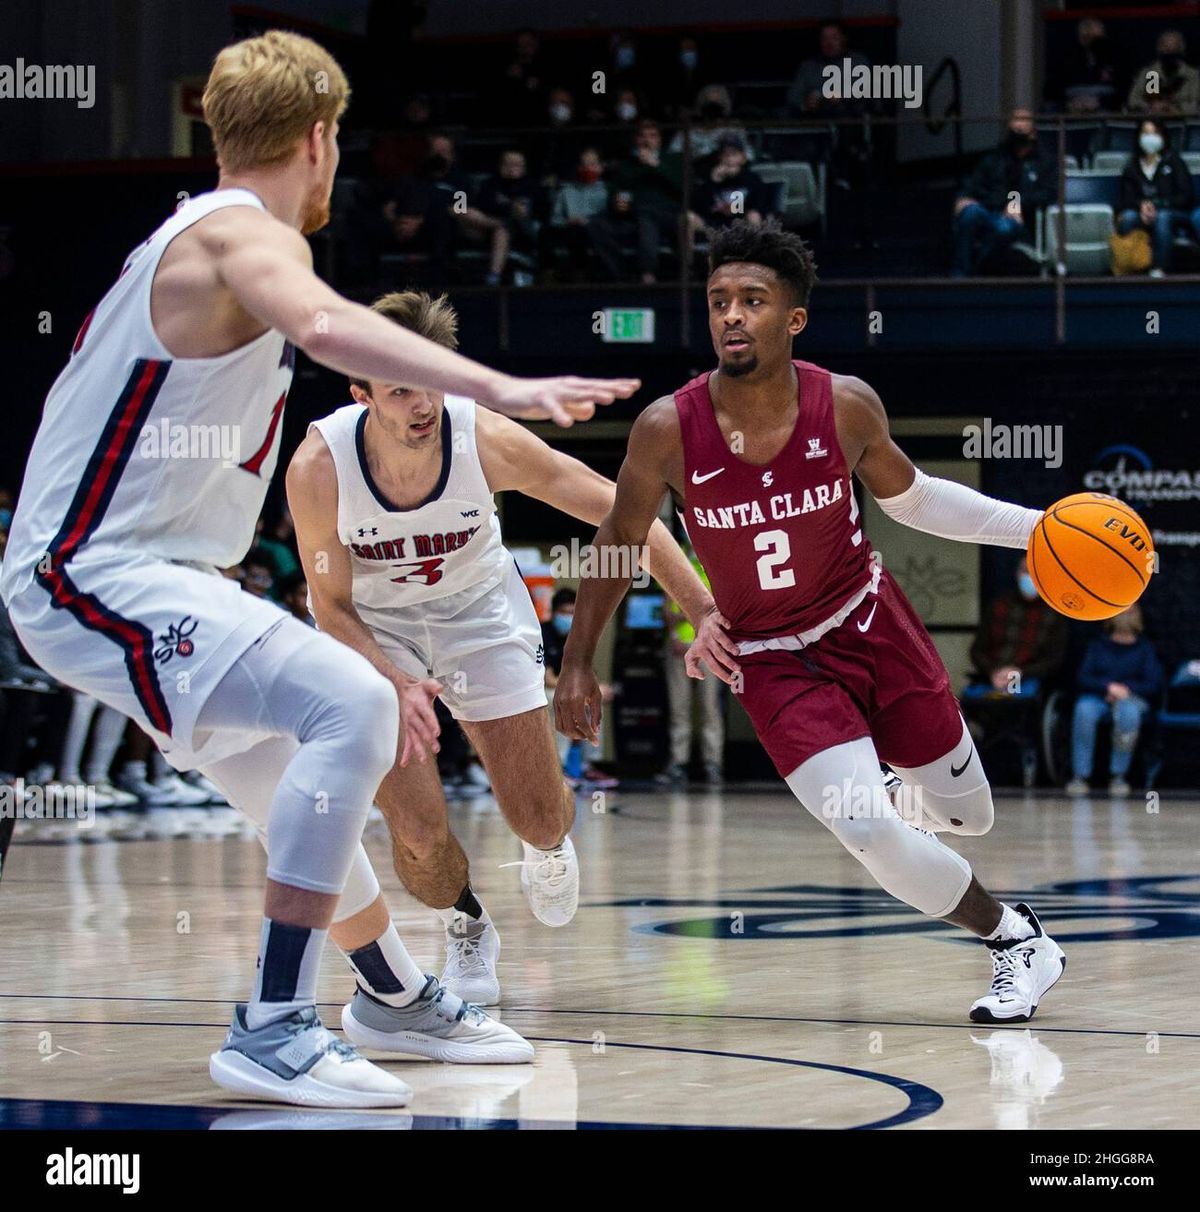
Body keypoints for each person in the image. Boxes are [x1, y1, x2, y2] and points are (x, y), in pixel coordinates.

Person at [0, 30, 637, 1109]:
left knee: (291, 785)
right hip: (90, 571)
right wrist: (507, 386)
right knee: (359, 700)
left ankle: (389, 994)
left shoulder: (203, 238)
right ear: (320, 138)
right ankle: (274, 1029)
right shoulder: (241, 236)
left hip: (151, 575)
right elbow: (329, 324)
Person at [555, 220, 1067, 1025]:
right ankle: (1017, 939)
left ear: (792, 319)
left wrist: (1038, 527)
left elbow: (921, 500)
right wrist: (578, 659)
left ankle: (900, 792)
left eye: (752, 301)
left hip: (869, 622)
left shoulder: (846, 405)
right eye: (719, 300)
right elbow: (621, 540)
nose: (730, 315)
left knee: (971, 815)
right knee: (866, 826)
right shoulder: (667, 428)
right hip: (770, 662)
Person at [286, 290, 710, 1008]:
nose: (421, 404)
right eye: (398, 391)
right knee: (418, 836)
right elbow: (327, 604)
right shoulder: (320, 468)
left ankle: (545, 848)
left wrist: (701, 608)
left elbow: (624, 511)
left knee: (539, 815)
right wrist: (392, 680)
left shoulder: (481, 437)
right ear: (361, 394)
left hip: (478, 612)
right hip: (374, 632)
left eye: (431, 381)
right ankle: (467, 927)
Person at [1066, 606, 1162, 796]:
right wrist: (1108, 687)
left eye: (1131, 612)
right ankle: (1081, 775)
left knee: (1129, 713)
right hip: (1099, 696)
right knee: (1084, 710)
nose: (1126, 617)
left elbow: (1153, 683)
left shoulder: (1144, 649)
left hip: (1131, 698)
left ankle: (1118, 775)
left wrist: (1126, 690)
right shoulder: (1098, 646)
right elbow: (1083, 677)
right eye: (1122, 612)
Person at [952, 110, 1056, 276]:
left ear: (1033, 134)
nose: (1019, 128)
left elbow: (1050, 193)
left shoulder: (1044, 162)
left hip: (1022, 221)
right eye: (1016, 125)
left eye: (1023, 125)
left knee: (1004, 228)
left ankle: (977, 268)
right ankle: (960, 272)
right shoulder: (994, 159)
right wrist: (963, 198)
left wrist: (1016, 203)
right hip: (989, 210)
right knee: (969, 213)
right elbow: (973, 184)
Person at [588, 119, 685, 283]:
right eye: (642, 136)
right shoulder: (625, 165)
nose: (646, 140)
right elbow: (617, 192)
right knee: (596, 224)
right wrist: (616, 203)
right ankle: (620, 276)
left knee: (646, 215)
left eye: (652, 136)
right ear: (635, 139)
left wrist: (657, 166)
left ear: (659, 139)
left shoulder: (673, 159)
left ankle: (647, 274)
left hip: (667, 216)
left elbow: (684, 189)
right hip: (631, 217)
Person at [660, 547, 723, 785]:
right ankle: (679, 762)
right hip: (678, 648)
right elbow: (668, 611)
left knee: (710, 707)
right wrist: (675, 635)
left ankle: (712, 763)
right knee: (679, 707)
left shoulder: (718, 568)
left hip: (710, 647)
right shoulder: (678, 565)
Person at [542, 587, 616, 788]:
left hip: (569, 687)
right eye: (565, 612)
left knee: (594, 699)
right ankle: (561, 767)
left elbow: (587, 672)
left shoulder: (579, 637)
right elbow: (548, 678)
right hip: (543, 689)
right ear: (554, 612)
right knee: (556, 699)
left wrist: (595, 689)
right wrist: (576, 689)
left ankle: (586, 765)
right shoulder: (542, 633)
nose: (569, 617)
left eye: (573, 613)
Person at [1116, 118, 1199, 277]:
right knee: (1127, 217)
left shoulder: (1174, 161)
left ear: (1163, 137)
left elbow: (1186, 196)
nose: (1150, 137)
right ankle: (1130, 266)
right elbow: (1126, 199)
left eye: (1154, 133)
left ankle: (1159, 269)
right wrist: (1141, 206)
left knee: (1162, 217)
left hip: (1175, 212)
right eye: (1146, 133)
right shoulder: (1132, 165)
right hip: (1142, 213)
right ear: (1139, 137)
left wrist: (1157, 205)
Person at [477, 148, 543, 286]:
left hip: (524, 229)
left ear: (524, 167)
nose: (511, 168)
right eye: (507, 164)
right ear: (501, 165)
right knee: (499, 229)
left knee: (503, 230)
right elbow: (484, 206)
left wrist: (520, 211)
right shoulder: (490, 184)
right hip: (490, 227)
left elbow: (539, 210)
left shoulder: (532, 186)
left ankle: (494, 276)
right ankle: (493, 277)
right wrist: (510, 208)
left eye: (516, 164)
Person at [541, 147, 609, 280]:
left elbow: (609, 218)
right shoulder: (567, 190)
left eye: (592, 164)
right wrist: (567, 221)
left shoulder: (607, 190)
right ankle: (547, 274)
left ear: (601, 167)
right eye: (584, 165)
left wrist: (589, 221)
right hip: (568, 228)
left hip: (595, 230)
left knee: (580, 232)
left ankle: (581, 274)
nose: (588, 168)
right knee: (544, 232)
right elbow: (555, 219)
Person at [692, 137, 771, 230]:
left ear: (743, 158)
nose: (729, 158)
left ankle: (755, 244)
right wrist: (713, 181)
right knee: (689, 218)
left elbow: (759, 207)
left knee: (754, 216)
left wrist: (738, 176)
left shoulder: (751, 178)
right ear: (719, 158)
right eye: (725, 155)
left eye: (734, 154)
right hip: (715, 224)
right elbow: (699, 208)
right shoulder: (709, 177)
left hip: (742, 224)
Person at [1126, 29, 1199, 116]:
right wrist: (1150, 106)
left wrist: (1174, 109)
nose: (1170, 58)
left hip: (1182, 121)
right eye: (1167, 52)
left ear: (1182, 51)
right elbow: (1133, 100)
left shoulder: (1192, 75)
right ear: (1159, 50)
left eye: (1174, 53)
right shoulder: (1151, 74)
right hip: (1154, 121)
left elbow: (1196, 103)